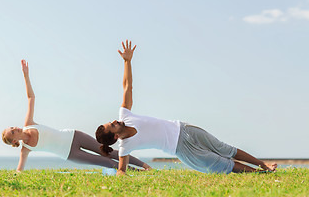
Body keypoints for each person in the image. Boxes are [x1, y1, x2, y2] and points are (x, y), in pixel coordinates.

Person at [95, 40, 277, 176]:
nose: (115, 121)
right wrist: (118, 174)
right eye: (112, 125)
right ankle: (261, 174)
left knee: (225, 149)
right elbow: (121, 169)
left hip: (183, 128)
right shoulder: (125, 146)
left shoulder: (125, 115)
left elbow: (127, 86)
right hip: (182, 150)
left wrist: (127, 62)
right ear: (116, 136)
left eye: (111, 121)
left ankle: (263, 165)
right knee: (223, 165)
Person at [2, 59, 151, 172]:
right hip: (70, 153)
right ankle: (139, 173)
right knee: (107, 163)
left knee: (109, 152)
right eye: (13, 131)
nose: (15, 128)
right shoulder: (25, 149)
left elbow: (31, 98)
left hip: (74, 136)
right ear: (14, 140)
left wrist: (26, 75)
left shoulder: (28, 123)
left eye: (12, 127)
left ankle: (146, 167)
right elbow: (19, 170)